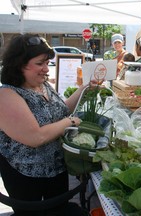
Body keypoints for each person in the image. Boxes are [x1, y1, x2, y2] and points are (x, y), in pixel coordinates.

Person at [0, 34, 94, 215]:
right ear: (19, 64)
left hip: (55, 169)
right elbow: (36, 137)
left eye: (47, 62)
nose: (46, 69)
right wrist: (71, 122)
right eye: (40, 63)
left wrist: (85, 89)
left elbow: (62, 111)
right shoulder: (7, 95)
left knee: (59, 210)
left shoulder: (41, 85)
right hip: (27, 175)